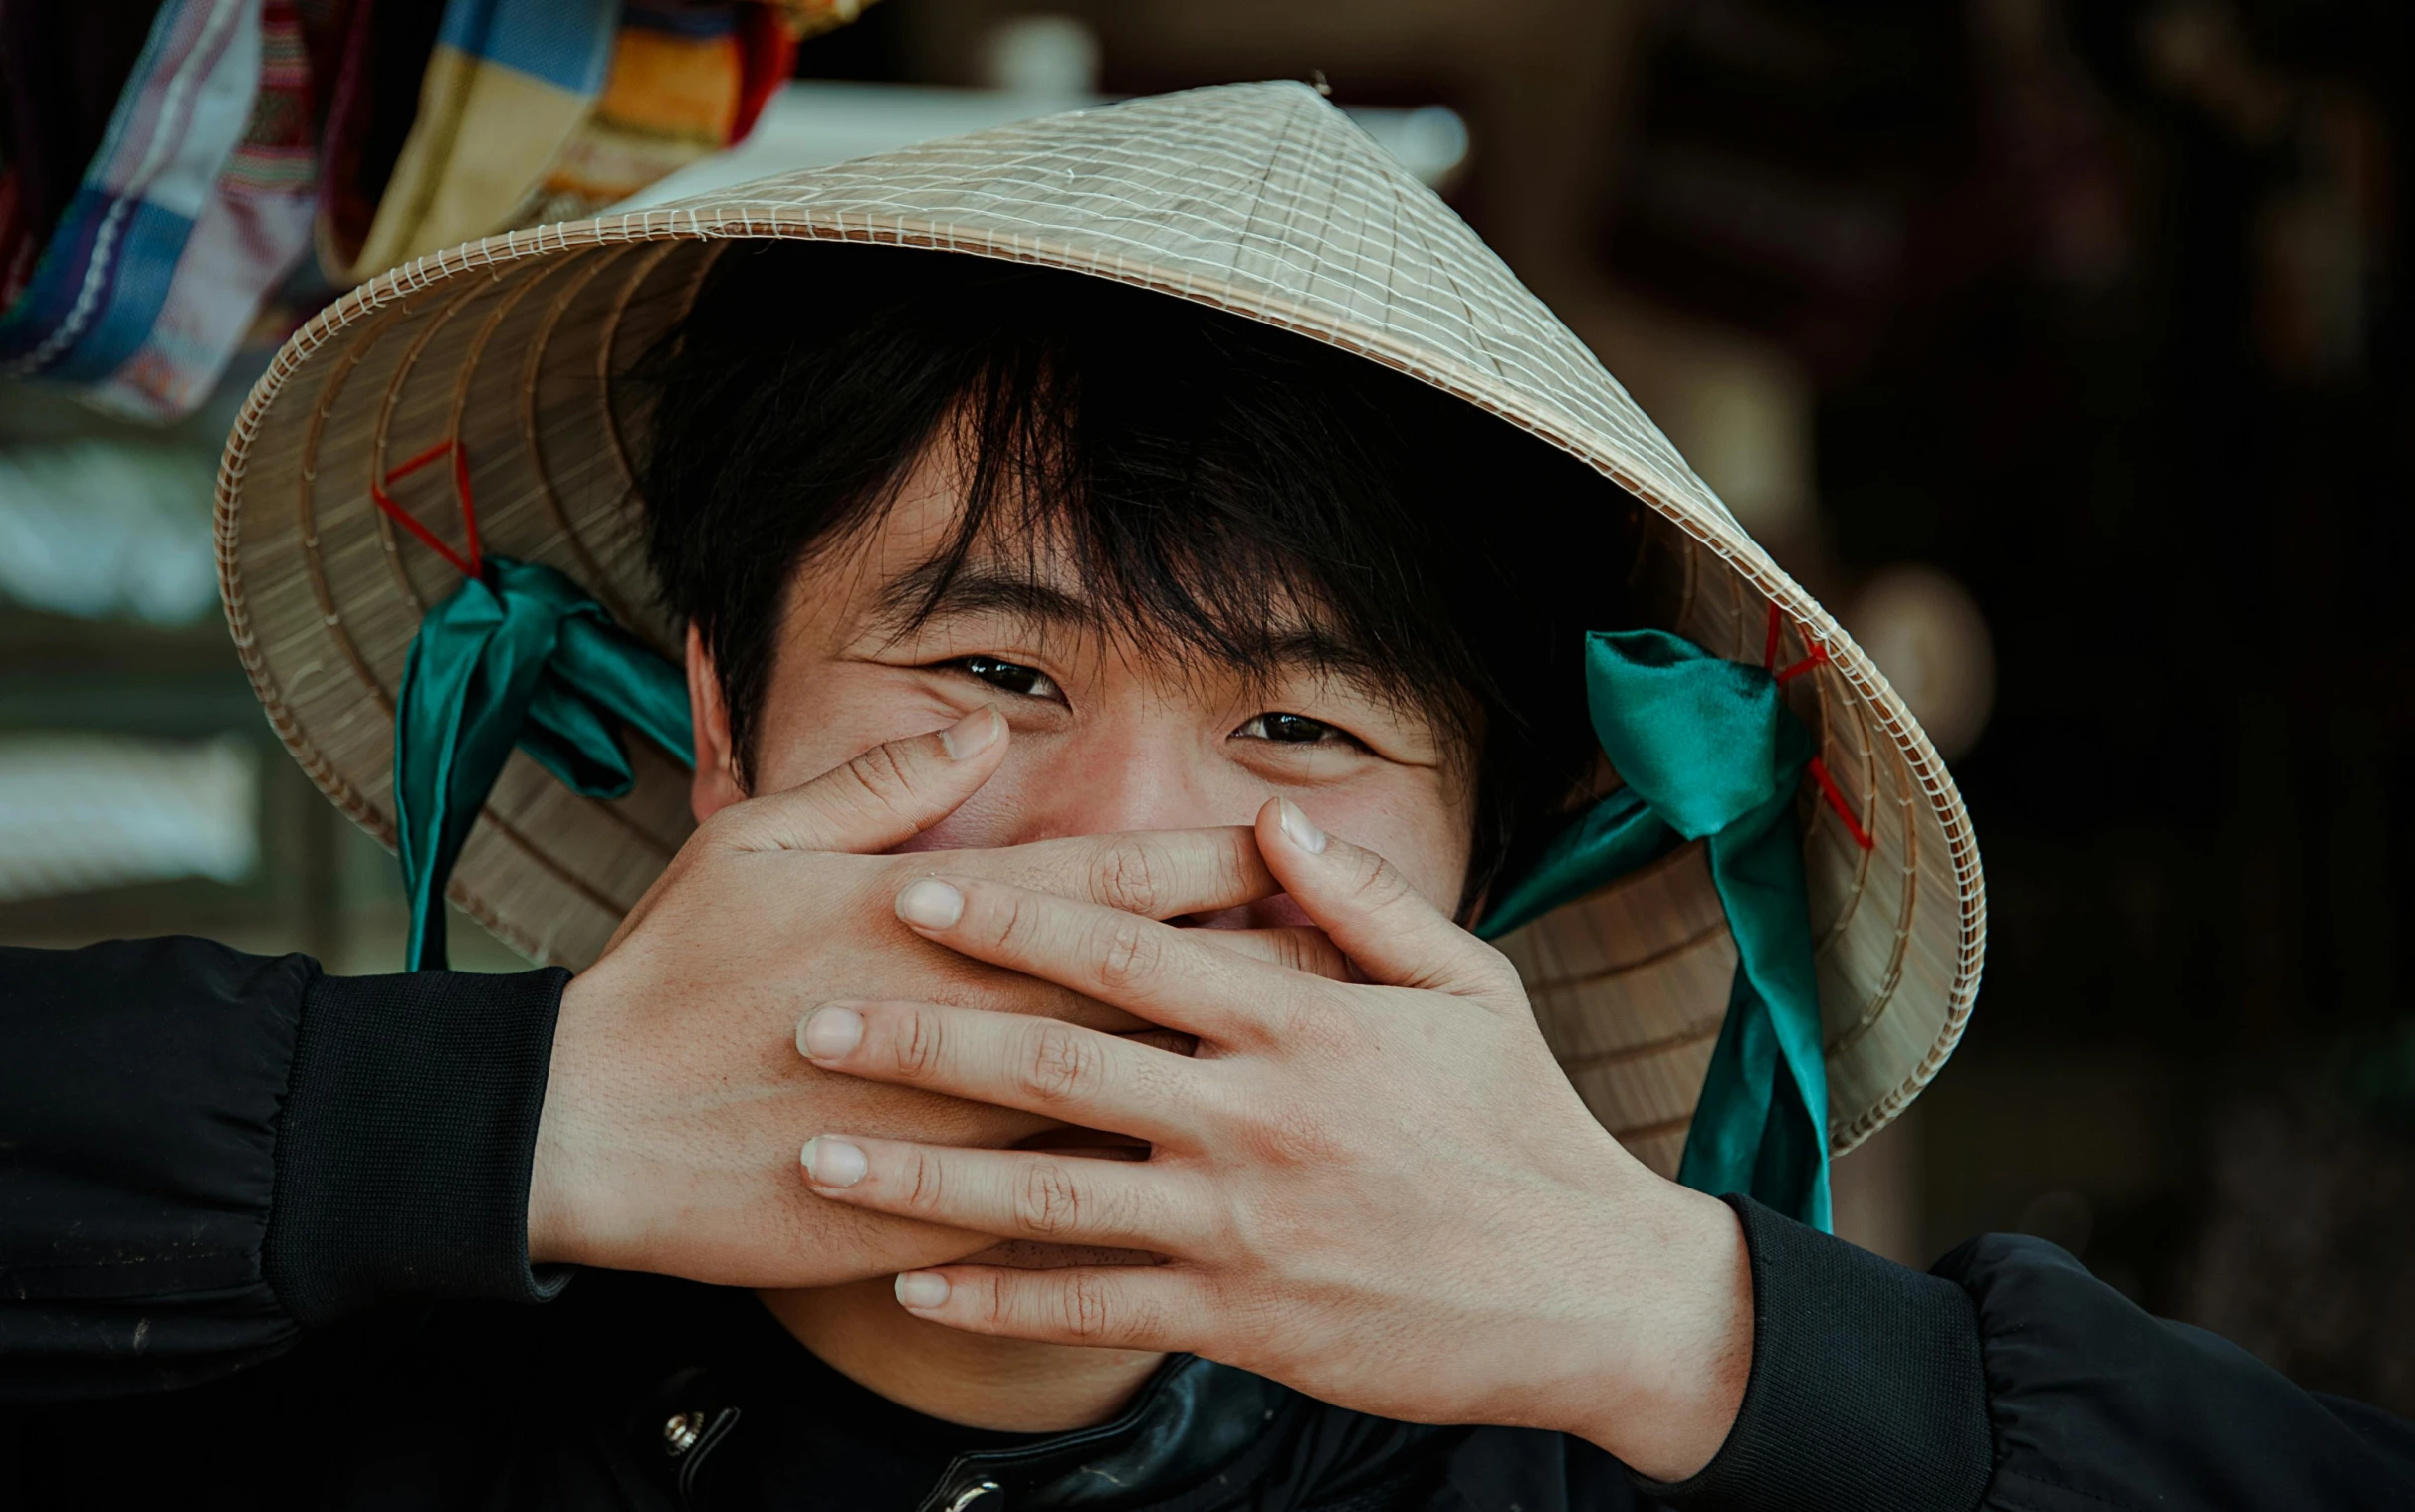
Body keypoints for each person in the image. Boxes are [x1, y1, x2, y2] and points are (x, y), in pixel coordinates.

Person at [5, 83, 2412, 1510]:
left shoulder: (1604, 1448)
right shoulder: (315, 1374)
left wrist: (1680, 1324)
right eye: (987, 670)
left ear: (1492, 859)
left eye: (1301, 732)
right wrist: (480, 1126)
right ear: (720, 735)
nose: (1114, 871)